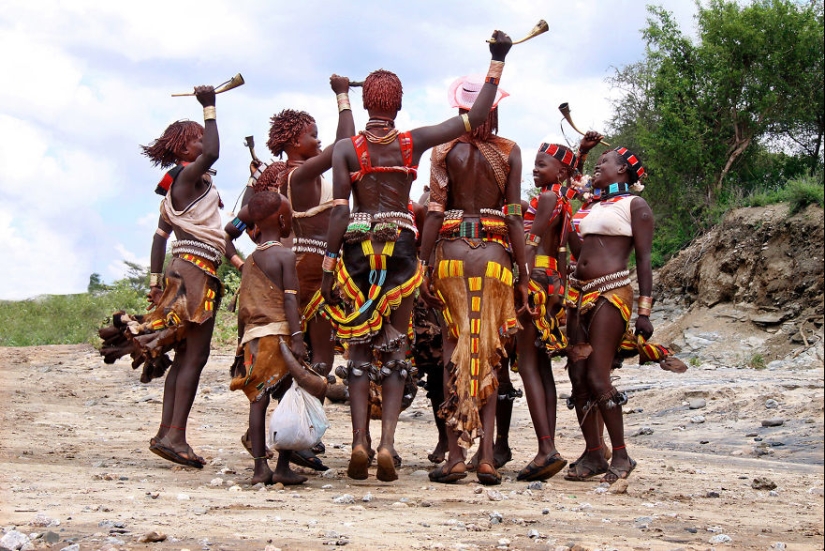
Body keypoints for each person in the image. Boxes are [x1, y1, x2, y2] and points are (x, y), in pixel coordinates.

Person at [321, 31, 515, 482]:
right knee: (396, 347)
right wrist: (496, 61)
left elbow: (337, 214)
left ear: (367, 102)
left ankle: (359, 442)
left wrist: (329, 266)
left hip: (356, 250)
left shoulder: (348, 148)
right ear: (399, 104)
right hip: (403, 250)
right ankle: (388, 442)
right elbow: (477, 116)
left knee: (358, 350)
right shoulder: (412, 143)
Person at [225, 75, 355, 470]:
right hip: (310, 271)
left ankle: (289, 430)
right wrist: (343, 97)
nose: (318, 141)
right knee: (315, 358)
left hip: (303, 266)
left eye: (318, 135)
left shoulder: (283, 178)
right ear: (294, 142)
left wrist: (245, 256)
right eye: (313, 135)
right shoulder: (298, 175)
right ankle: (289, 433)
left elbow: (233, 229)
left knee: (308, 357)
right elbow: (347, 144)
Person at [99, 86, 224, 469]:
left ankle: (168, 432)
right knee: (194, 356)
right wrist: (209, 107)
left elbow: (159, 237)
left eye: (202, 139)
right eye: (196, 141)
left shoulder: (180, 189)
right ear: (183, 151)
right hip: (195, 273)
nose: (203, 146)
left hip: (179, 270)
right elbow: (215, 152)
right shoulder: (187, 177)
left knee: (186, 354)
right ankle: (175, 437)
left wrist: (155, 282)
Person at [417, 73, 529, 486]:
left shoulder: (444, 151)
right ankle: (486, 457)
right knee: (489, 350)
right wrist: (523, 273)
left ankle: (455, 456)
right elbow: (514, 215)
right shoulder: (510, 151)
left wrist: (424, 261)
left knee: (454, 349)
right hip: (497, 260)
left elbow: (434, 211)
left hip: (451, 258)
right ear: (493, 109)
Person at [563, 144, 655, 483]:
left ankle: (621, 454)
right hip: (578, 294)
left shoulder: (635, 205)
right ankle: (593, 453)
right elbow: (578, 251)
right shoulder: (592, 205)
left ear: (623, 171)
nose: (597, 166)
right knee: (577, 376)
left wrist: (644, 311)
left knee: (598, 376)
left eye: (604, 162)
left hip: (612, 292)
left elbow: (644, 260)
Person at [229, 191, 315, 485]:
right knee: (289, 397)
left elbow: (243, 310)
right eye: (289, 217)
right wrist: (298, 337)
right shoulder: (285, 255)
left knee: (258, 400)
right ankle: (282, 467)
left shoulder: (251, 260)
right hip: (279, 338)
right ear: (281, 220)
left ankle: (258, 468)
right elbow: (291, 302)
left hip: (253, 341)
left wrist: (240, 348)